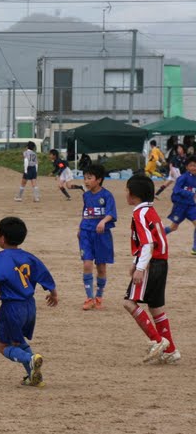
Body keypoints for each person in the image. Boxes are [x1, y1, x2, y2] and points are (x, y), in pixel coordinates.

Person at [0, 216, 58, 387]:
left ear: (2, 238)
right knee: (18, 342)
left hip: (11, 308)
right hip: (30, 307)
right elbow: (44, 275)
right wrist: (53, 293)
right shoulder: (30, 258)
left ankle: (30, 359)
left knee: (4, 346)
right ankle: (33, 376)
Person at [122, 174, 179, 364]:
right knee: (156, 307)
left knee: (129, 303)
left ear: (133, 194)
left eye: (127, 190)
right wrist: (135, 261)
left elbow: (147, 244)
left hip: (151, 264)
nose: (125, 193)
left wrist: (139, 267)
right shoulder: (151, 211)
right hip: (161, 263)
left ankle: (158, 341)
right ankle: (170, 350)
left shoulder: (139, 213)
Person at [78, 164, 116, 311]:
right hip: (86, 233)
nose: (86, 181)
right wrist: (80, 228)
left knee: (101, 267)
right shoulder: (85, 195)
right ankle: (89, 298)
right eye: (84, 178)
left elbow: (111, 213)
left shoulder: (107, 195)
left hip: (102, 235)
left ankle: (99, 296)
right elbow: (85, 213)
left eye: (89, 178)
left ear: (98, 180)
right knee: (87, 264)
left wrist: (103, 221)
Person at [163, 155, 196, 256]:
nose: (194, 167)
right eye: (191, 165)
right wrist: (191, 194)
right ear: (187, 167)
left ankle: (195, 248)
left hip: (192, 207)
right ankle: (156, 235)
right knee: (173, 227)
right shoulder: (182, 178)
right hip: (180, 207)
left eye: (195, 165)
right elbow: (176, 190)